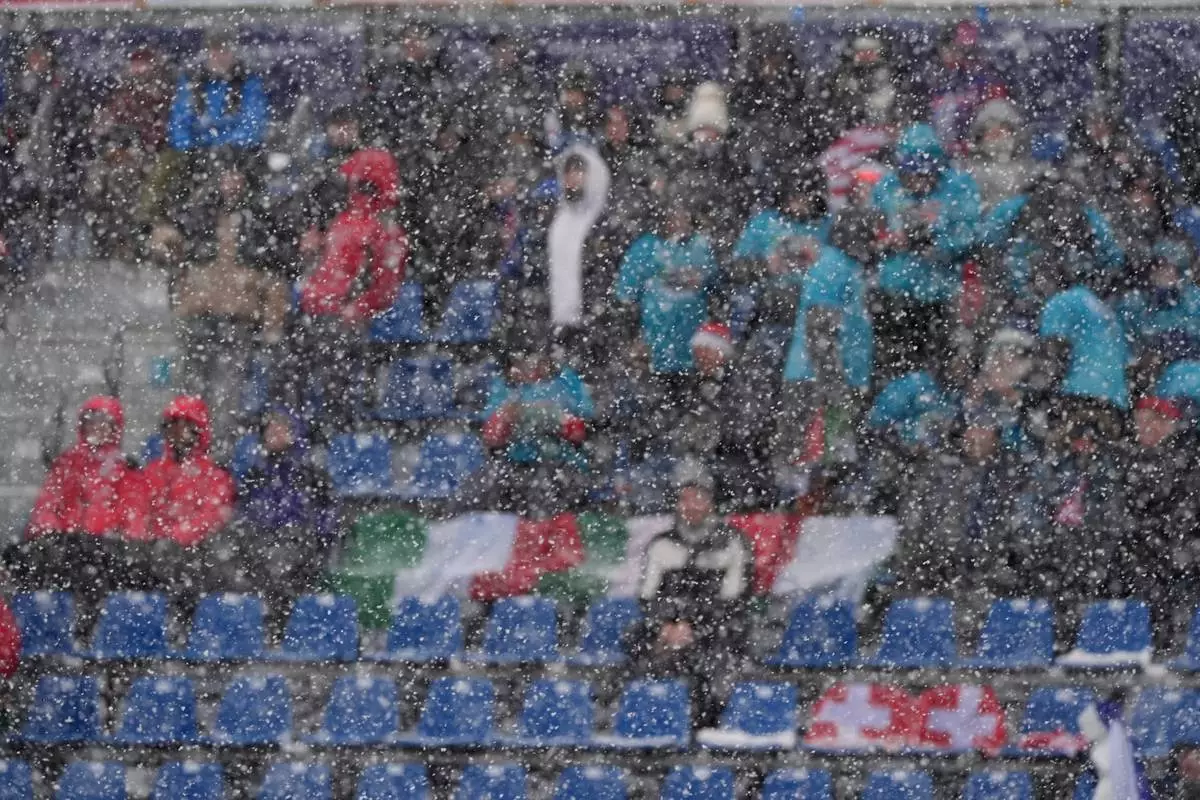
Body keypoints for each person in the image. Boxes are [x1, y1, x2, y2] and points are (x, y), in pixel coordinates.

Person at [289, 148, 408, 436]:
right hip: (317, 312)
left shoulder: (383, 229)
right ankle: (304, 435)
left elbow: (384, 286)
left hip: (341, 320)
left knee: (333, 390)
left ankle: (331, 441)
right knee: (295, 382)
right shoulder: (343, 219)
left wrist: (357, 308)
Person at [634, 461, 753, 728]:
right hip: (672, 629)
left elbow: (734, 598)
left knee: (716, 655)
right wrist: (666, 625)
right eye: (686, 499)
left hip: (717, 630)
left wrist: (694, 625)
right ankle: (656, 725)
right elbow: (647, 597)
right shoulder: (661, 545)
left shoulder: (732, 543)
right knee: (643, 646)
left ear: (711, 502)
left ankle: (709, 724)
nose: (692, 506)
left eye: (699, 498)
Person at [871, 123, 981, 379]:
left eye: (926, 174)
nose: (919, 181)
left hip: (939, 296)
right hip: (894, 294)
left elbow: (972, 233)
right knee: (893, 370)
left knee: (939, 373)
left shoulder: (958, 188)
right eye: (912, 174)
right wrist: (889, 243)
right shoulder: (886, 189)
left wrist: (939, 245)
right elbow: (872, 233)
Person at [13, 397, 141, 601]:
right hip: (67, 544)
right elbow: (48, 504)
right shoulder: (67, 463)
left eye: (103, 422)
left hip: (104, 548)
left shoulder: (125, 469)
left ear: (114, 427)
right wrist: (50, 531)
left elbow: (133, 513)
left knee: (92, 573)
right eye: (91, 421)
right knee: (21, 560)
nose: (96, 428)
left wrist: (107, 534)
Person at [218, 408, 339, 604]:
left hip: (298, 556)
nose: (274, 432)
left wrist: (309, 545)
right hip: (260, 555)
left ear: (294, 433)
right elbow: (242, 515)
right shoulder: (255, 476)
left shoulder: (311, 475)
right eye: (269, 428)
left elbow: (327, 518)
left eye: (281, 427)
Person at [128, 396, 235, 594]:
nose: (178, 432)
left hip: (192, 558)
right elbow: (138, 508)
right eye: (173, 425)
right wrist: (146, 538)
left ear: (198, 430)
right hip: (152, 554)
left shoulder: (214, 474)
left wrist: (175, 538)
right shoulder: (153, 471)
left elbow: (213, 515)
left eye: (185, 425)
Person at [478, 346, 594, 516]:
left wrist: (553, 416)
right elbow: (492, 436)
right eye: (522, 362)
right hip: (517, 464)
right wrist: (508, 416)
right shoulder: (504, 388)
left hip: (562, 462)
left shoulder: (566, 382)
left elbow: (582, 430)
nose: (530, 368)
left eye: (537, 361)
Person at [615, 203, 721, 387]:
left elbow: (717, 291)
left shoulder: (702, 248)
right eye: (673, 215)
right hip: (655, 353)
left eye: (684, 214)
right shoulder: (646, 248)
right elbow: (625, 298)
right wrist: (632, 338)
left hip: (695, 354)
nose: (679, 221)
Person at [1120, 395, 1200, 638]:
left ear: (1170, 425)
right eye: (1141, 421)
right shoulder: (1125, 457)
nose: (1146, 427)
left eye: (1154, 421)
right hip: (1143, 548)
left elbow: (1187, 508)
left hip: (1179, 544)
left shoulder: (1187, 459)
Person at [167, 31, 269, 153]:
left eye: (225, 51)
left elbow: (253, 127)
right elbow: (179, 125)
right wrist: (197, 150)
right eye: (214, 50)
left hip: (239, 154)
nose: (219, 56)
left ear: (234, 54)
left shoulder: (248, 81)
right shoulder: (191, 80)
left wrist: (223, 148)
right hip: (195, 155)